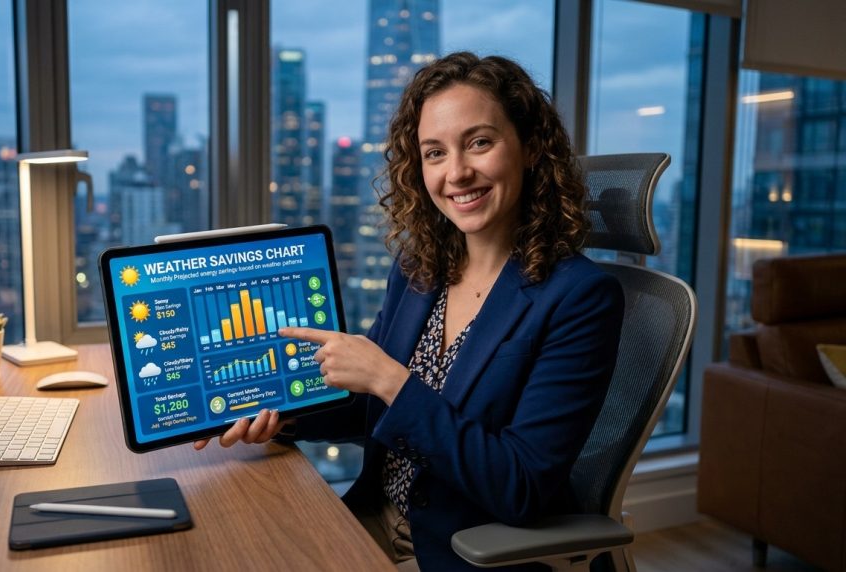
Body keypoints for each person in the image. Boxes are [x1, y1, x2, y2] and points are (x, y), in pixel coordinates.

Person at [194, 52, 625, 571]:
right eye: (434, 153)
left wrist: (392, 379)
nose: (457, 173)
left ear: (530, 148)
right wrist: (277, 411)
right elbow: (372, 409)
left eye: (479, 143)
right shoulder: (421, 268)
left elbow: (521, 484)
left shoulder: (580, 298)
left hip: (462, 550)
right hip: (375, 515)